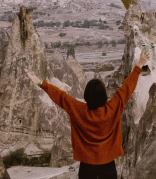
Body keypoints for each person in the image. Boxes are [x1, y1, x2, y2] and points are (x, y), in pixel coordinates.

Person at [29, 50, 148, 179]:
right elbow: (126, 88)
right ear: (104, 95)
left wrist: (40, 82)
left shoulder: (78, 110)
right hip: (108, 162)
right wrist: (140, 65)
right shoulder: (113, 108)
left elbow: (60, 96)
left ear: (86, 95)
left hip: (87, 164)